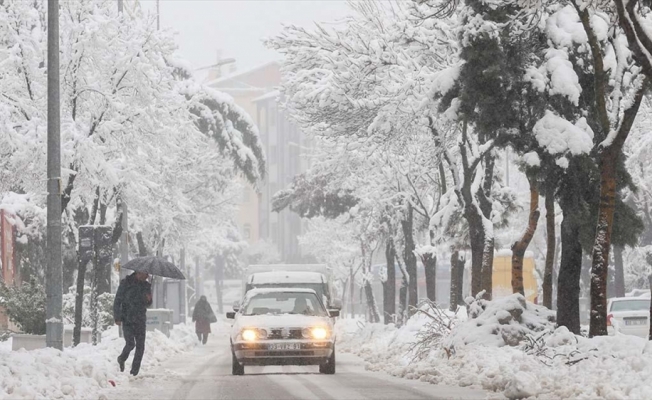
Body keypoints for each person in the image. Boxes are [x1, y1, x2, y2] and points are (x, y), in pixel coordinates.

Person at [113, 271, 152, 376]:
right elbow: (117, 300)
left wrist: (149, 300)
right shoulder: (126, 283)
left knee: (140, 346)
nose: (147, 276)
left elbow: (148, 303)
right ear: (139, 273)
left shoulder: (146, 285)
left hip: (140, 318)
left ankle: (134, 372)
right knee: (130, 343)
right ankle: (121, 358)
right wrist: (117, 317)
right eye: (145, 274)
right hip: (127, 318)